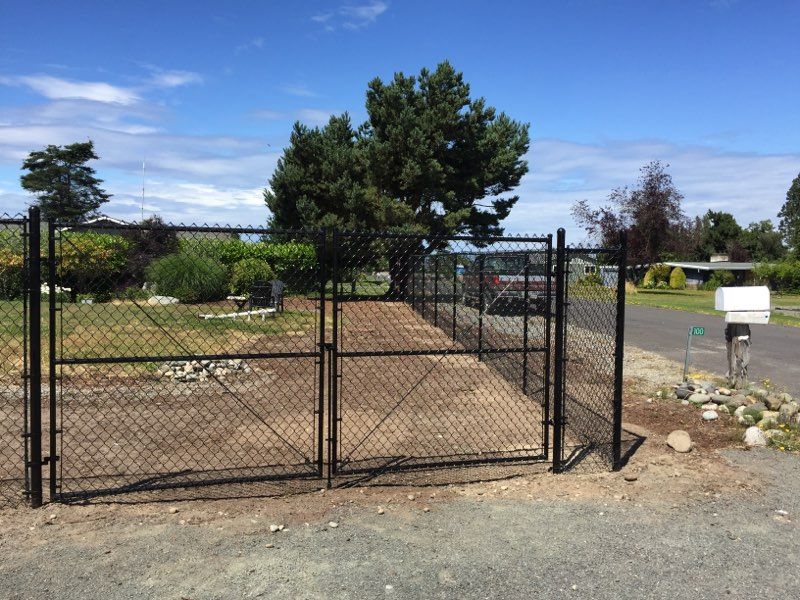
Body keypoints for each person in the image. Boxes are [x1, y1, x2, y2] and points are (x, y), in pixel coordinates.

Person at [725, 323, 751, 388]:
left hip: (738, 337)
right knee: (740, 360)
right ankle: (738, 380)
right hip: (741, 336)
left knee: (737, 360)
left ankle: (736, 381)